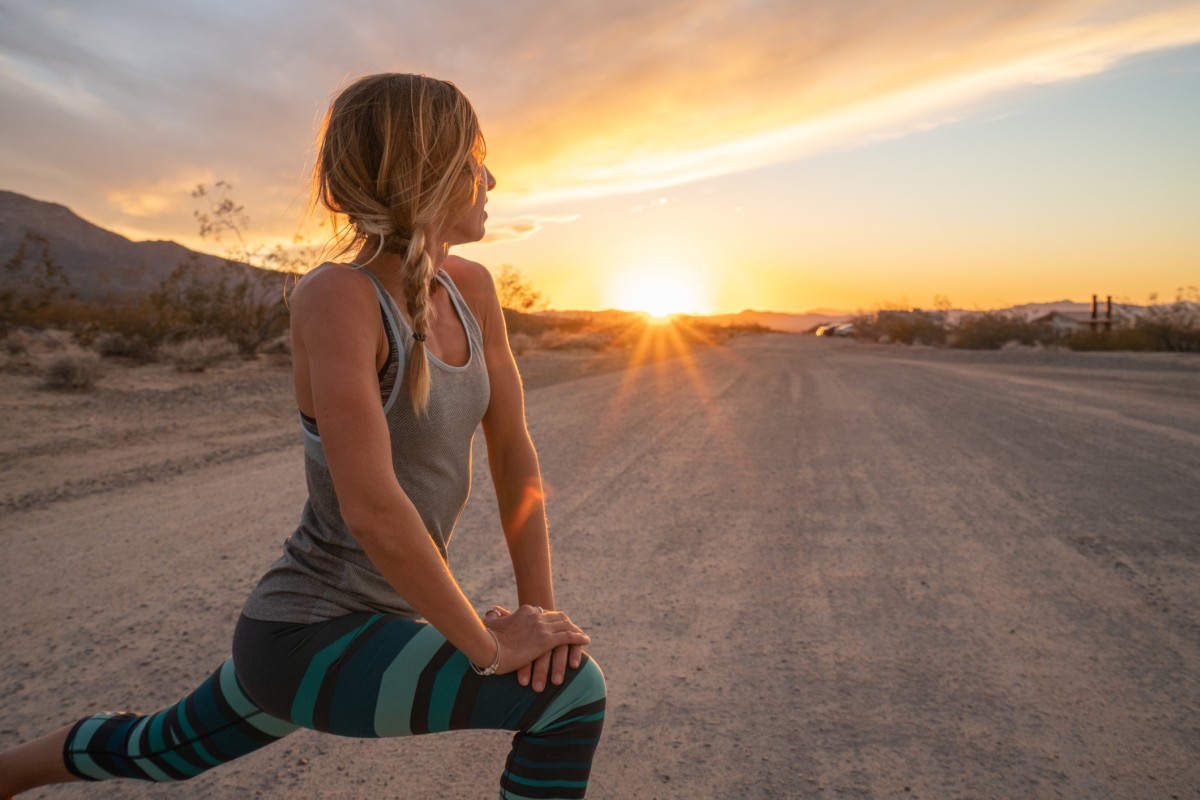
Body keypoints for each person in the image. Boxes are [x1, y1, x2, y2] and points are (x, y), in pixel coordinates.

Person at [0, 73, 605, 800]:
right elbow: (373, 508)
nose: (491, 178)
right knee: (571, 696)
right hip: (310, 636)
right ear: (429, 170)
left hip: (349, 628)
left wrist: (537, 617)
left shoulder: (472, 287)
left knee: (163, 750)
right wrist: (488, 650)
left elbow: (514, 454)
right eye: (475, 160)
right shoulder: (338, 297)